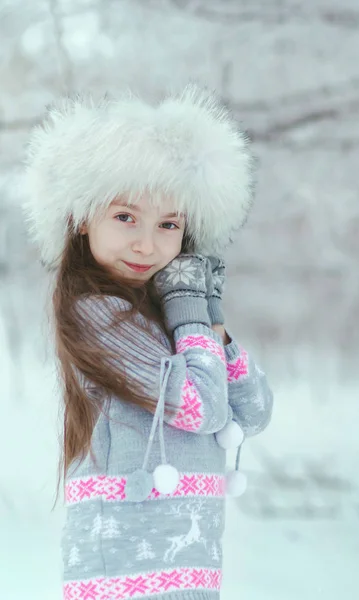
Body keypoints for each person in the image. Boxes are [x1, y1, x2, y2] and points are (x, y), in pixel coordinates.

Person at [22, 83, 274, 600]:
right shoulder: (96, 313)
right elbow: (203, 408)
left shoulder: (179, 324)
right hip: (124, 561)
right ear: (80, 218)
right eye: (124, 217)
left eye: (168, 225)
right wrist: (188, 307)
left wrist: (207, 317)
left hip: (189, 558)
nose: (146, 243)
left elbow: (252, 413)